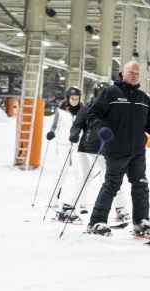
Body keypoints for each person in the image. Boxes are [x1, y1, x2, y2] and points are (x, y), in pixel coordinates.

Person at [84, 61, 150, 236]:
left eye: (137, 73)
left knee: (141, 185)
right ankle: (96, 222)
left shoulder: (144, 98)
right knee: (112, 185)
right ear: (122, 73)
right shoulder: (110, 93)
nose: (135, 76)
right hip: (116, 149)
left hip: (137, 150)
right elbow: (92, 115)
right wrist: (101, 128)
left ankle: (141, 221)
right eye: (131, 72)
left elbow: (149, 123)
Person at [65, 82, 131, 224]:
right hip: (87, 149)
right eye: (99, 92)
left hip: (105, 149)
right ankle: (67, 208)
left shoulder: (114, 110)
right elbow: (77, 124)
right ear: (95, 93)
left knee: (113, 178)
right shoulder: (88, 108)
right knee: (87, 178)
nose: (101, 95)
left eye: (105, 92)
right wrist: (74, 133)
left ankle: (120, 208)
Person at [46, 86, 82, 221]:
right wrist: (51, 133)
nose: (74, 101)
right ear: (68, 98)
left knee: (79, 173)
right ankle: (53, 198)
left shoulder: (83, 110)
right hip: (63, 144)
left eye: (77, 98)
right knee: (61, 172)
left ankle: (79, 201)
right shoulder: (60, 111)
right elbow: (55, 126)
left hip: (77, 145)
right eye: (72, 98)